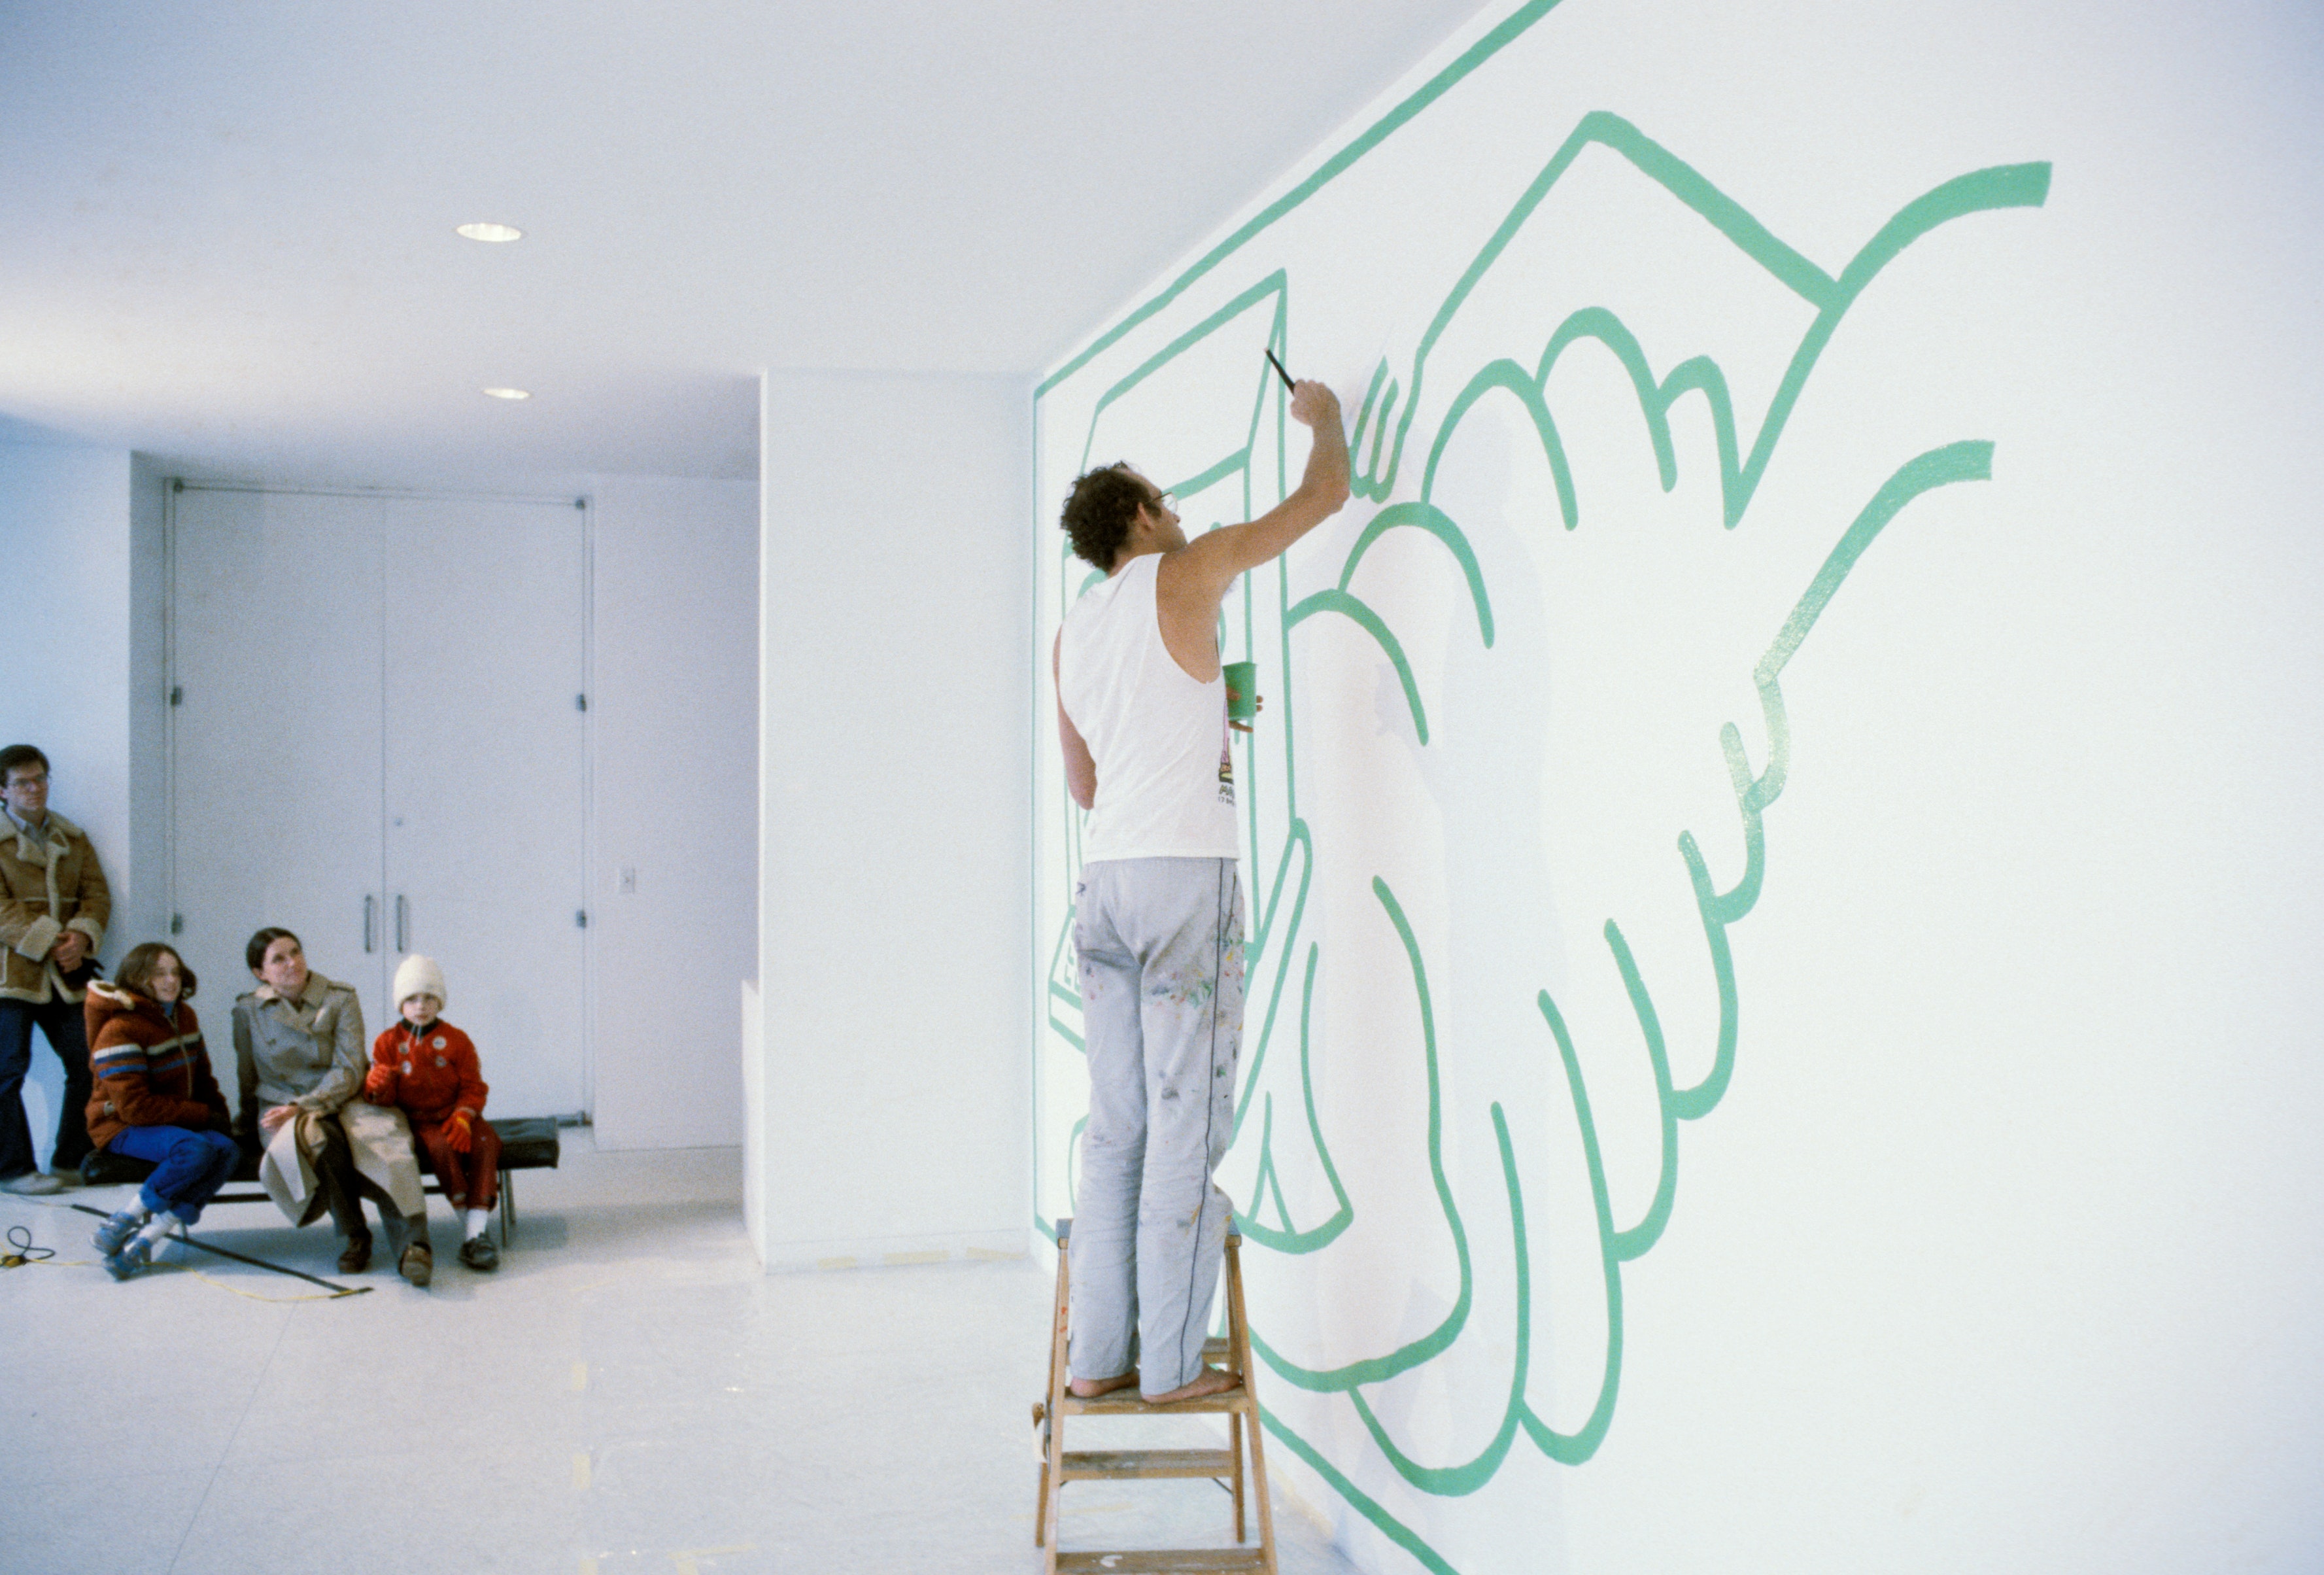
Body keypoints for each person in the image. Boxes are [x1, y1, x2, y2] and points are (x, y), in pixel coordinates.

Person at [1053, 376, 1348, 1403]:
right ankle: (1171, 1368)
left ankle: (1095, 1364)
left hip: (1107, 887)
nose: (1175, 509)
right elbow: (1321, 502)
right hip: (1186, 882)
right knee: (1185, 1122)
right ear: (1140, 517)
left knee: (1116, 1126)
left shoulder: (1073, 634)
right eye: (1162, 497)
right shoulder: (1187, 568)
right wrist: (1324, 422)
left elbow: (1084, 781)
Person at [231, 927, 432, 1286]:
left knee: (386, 1145)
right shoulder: (249, 1010)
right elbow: (246, 1071)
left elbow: (351, 1068)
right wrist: (248, 1121)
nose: (292, 962)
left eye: (296, 951)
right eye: (279, 959)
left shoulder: (339, 998)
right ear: (260, 973)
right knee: (320, 1142)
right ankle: (356, 1235)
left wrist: (306, 1104)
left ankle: (414, 1247)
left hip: (345, 1094)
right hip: (282, 1104)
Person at [82, 943, 240, 1279]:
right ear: (138, 978)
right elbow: (135, 1108)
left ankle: (144, 1241)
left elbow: (202, 1078)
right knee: (194, 1149)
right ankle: (122, 1220)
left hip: (166, 1118)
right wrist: (201, 1117)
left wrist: (220, 1118)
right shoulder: (119, 1028)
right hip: (120, 1124)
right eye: (159, 974)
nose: (170, 980)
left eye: (175, 972)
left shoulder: (184, 1015)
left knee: (225, 1149)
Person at [0, 744, 109, 1196]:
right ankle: (12, 1170)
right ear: (2, 791)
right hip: (11, 977)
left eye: (41, 779)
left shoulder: (72, 836)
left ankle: (68, 1159)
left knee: (88, 1060)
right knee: (6, 1072)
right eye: (23, 782)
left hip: (66, 974)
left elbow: (97, 895)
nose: (34, 789)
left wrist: (81, 938)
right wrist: (50, 941)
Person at [364, 954, 501, 1272]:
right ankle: (472, 1230)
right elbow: (382, 1103)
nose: (421, 1006)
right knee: (441, 1147)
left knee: (486, 1142)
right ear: (400, 1004)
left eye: (429, 998)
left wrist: (465, 1116)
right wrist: (376, 1086)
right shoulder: (388, 1042)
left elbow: (474, 1086)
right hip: (418, 1121)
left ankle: (475, 1234)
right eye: (411, 999)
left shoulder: (457, 1040)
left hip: (457, 1115)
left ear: (440, 1001)